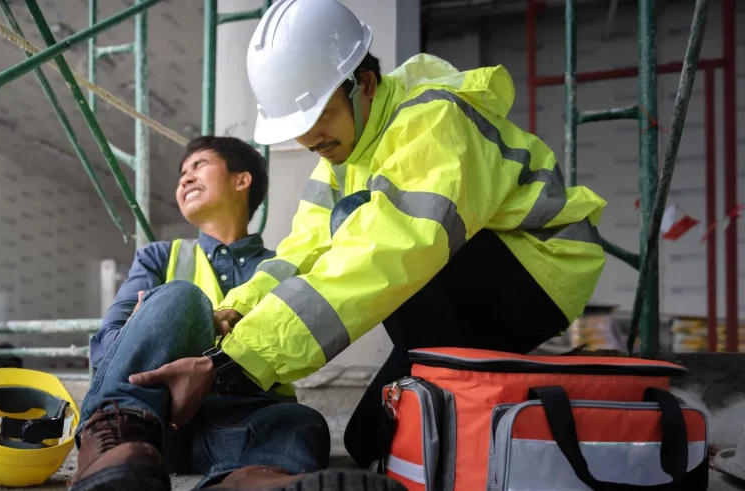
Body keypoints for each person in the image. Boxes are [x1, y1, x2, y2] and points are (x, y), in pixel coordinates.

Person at [139, 0, 609, 472]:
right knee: (368, 440)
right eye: (298, 126)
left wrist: (237, 362)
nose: (309, 138)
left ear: (362, 84)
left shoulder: (434, 121)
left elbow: (387, 253)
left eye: (317, 115)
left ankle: (501, 390)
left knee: (355, 221)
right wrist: (235, 311)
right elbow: (302, 253)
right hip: (462, 278)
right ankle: (477, 392)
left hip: (537, 269)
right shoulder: (342, 157)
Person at [73, 136, 401, 491]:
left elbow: (299, 339)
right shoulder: (159, 257)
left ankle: (252, 479)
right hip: (150, 424)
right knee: (183, 298)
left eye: (198, 165)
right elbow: (107, 345)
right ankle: (111, 449)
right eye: (182, 172)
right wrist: (146, 328)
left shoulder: (287, 268)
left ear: (242, 180)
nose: (184, 178)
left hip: (238, 426)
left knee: (298, 419)